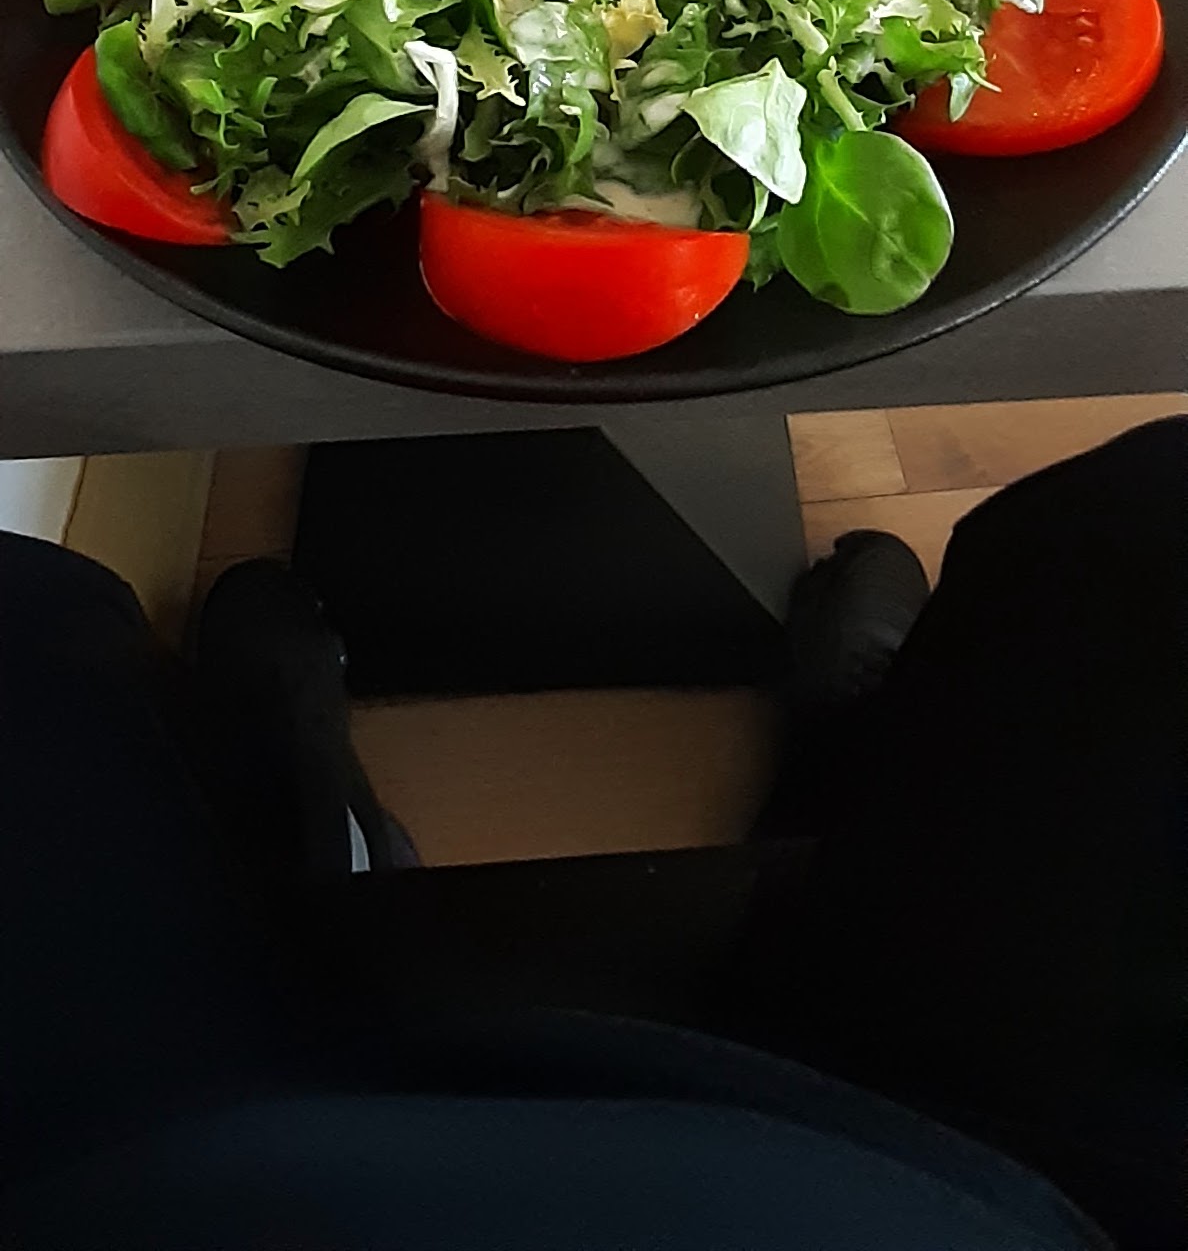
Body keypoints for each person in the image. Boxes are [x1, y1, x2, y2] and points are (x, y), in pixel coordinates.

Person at [0, 417, 1183, 1249]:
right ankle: (855, 760)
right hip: (1067, 1167)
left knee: (27, 630)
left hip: (182, 1167)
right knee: (1149, 523)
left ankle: (300, 829)